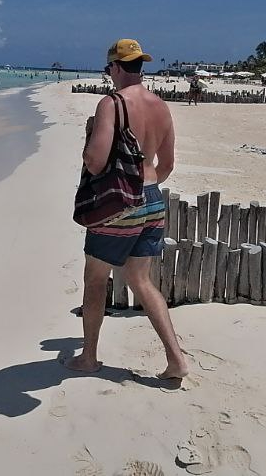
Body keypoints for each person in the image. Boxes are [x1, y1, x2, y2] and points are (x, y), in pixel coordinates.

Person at [68, 38, 189, 381]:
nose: (109, 74)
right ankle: (176, 359)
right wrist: (145, 186)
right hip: (152, 198)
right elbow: (166, 164)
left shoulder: (112, 104)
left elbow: (95, 162)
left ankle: (88, 358)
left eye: (109, 68)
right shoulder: (161, 106)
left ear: (117, 68)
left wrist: (89, 137)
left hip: (122, 204)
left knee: (95, 279)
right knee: (140, 279)